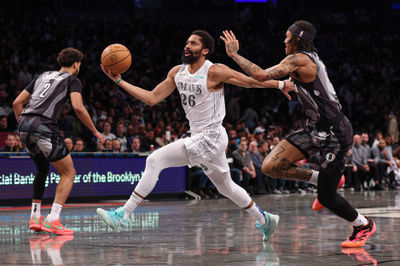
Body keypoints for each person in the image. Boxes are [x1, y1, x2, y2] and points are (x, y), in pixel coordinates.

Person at [97, 30, 293, 241]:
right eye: (187, 43)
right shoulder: (177, 72)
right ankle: (265, 220)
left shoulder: (214, 71)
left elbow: (250, 81)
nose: (187, 46)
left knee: (155, 159)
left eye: (193, 44)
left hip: (212, 135)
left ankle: (123, 215)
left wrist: (281, 84)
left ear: (205, 50)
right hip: (202, 136)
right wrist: (119, 82)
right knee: (226, 187)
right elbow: (152, 98)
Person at [221, 21, 376, 248]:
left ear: (296, 40)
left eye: (287, 37)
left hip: (335, 132)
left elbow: (261, 75)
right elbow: (285, 82)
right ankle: (318, 179)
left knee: (326, 198)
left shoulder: (299, 59)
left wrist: (235, 55)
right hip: (314, 128)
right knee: (270, 166)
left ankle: (363, 225)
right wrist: (283, 85)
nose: (284, 41)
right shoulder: (303, 61)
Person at [13, 47, 104, 235]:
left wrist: (24, 126)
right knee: (69, 172)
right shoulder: (73, 80)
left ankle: (35, 217)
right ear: (76, 64)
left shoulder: (42, 75)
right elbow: (78, 107)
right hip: (43, 126)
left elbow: (16, 103)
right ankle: (53, 219)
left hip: (23, 125)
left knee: (42, 168)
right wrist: (95, 131)